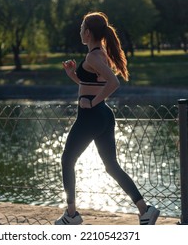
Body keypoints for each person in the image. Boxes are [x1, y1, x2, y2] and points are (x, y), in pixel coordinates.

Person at [55, 12, 160, 225]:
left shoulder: (93, 57)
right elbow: (93, 85)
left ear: (88, 32)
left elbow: (113, 83)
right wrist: (74, 76)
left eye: (82, 27)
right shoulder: (100, 54)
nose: (80, 31)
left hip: (91, 116)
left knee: (67, 160)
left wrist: (92, 103)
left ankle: (72, 215)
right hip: (103, 115)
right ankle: (144, 210)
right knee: (111, 166)